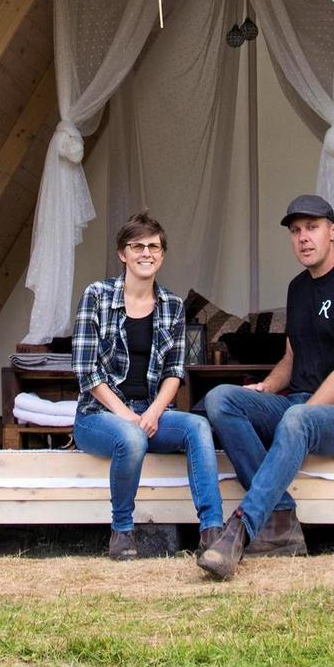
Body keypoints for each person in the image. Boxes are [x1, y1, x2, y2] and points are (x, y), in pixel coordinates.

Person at [199, 193, 334, 579]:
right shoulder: (298, 288)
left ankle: (240, 529)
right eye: (296, 230)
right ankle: (281, 521)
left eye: (312, 228)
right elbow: (290, 358)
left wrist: (301, 413)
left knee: (296, 418)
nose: (303, 238)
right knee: (221, 400)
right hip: (302, 405)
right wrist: (265, 390)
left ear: (333, 232)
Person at [72, 212, 226, 559]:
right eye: (137, 246)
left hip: (151, 413)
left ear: (162, 254)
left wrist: (155, 412)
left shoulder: (171, 306)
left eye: (154, 246)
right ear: (122, 254)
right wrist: (127, 415)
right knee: (131, 436)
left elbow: (175, 371)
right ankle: (122, 532)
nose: (146, 253)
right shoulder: (96, 296)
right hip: (99, 415)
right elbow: (86, 370)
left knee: (198, 426)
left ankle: (212, 530)